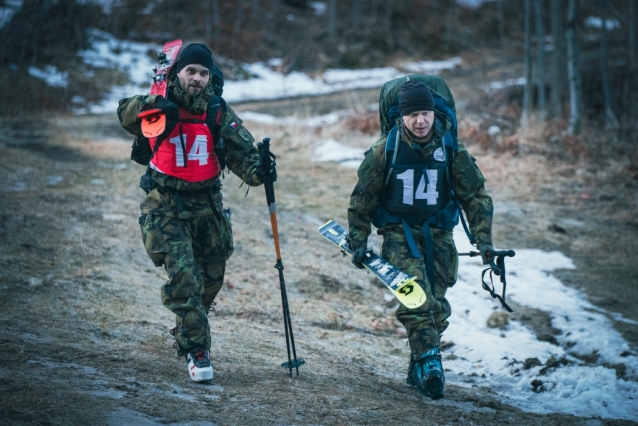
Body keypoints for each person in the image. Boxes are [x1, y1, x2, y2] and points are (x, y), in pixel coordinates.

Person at [117, 43, 276, 382]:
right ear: (178, 73)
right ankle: (197, 350)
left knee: (210, 278)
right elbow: (125, 113)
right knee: (184, 278)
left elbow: (242, 156)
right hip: (164, 204)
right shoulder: (161, 101)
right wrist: (152, 105)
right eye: (191, 71)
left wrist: (261, 168)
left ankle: (188, 325)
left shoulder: (217, 109)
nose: (197, 78)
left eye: (203, 73)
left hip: (208, 205)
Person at [347, 80, 494, 399]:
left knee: (437, 308)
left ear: (433, 112)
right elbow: (362, 200)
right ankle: (431, 364)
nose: (421, 120)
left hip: (439, 236)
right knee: (415, 296)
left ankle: (418, 361)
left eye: (425, 113)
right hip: (399, 234)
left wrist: (483, 241)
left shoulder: (451, 148)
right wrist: (358, 241)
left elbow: (476, 196)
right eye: (413, 114)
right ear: (402, 116)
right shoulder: (384, 150)